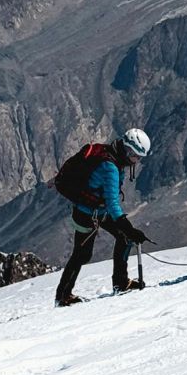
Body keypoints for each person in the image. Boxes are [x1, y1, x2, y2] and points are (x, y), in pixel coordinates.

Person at [54, 128, 152, 307]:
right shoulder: (110, 168)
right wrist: (130, 229)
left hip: (95, 211)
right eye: (136, 157)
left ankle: (121, 283)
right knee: (82, 254)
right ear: (128, 151)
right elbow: (113, 204)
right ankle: (63, 296)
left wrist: (128, 231)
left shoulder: (112, 155)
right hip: (87, 213)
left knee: (123, 237)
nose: (137, 161)